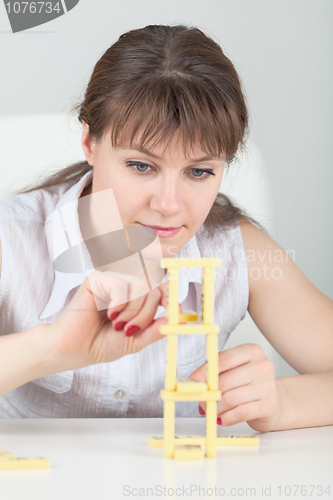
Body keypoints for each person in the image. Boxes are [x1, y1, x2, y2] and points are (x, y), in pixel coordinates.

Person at [0, 25, 332, 428]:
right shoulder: (11, 238)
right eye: (141, 166)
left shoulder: (238, 250)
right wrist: (52, 347)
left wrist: (284, 401)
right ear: (89, 143)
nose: (169, 205)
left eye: (199, 172)